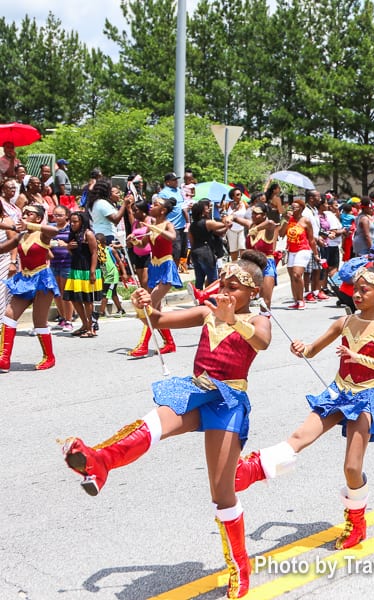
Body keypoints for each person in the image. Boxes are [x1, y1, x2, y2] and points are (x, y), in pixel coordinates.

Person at [62, 252, 272, 599]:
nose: (225, 291)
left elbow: (261, 342)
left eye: (234, 287)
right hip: (196, 390)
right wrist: (144, 301)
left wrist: (233, 318)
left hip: (227, 401)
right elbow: (157, 320)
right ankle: (101, 461)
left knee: (222, 495)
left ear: (251, 292)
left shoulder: (257, 319)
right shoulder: (207, 314)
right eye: (223, 284)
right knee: (155, 422)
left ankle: (239, 567)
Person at [230, 261, 374, 551]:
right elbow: (312, 350)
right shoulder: (344, 322)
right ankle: (252, 470)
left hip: (363, 396)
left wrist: (359, 358)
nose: (358, 295)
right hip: (337, 392)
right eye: (356, 290)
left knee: (352, 468)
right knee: (299, 437)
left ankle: (356, 521)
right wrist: (302, 348)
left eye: (365, 290)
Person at [0, 204, 60, 370]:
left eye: (29, 213)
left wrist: (31, 226)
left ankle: (49, 357)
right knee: (9, 315)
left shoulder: (43, 234)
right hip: (25, 279)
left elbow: (55, 231)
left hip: (42, 279)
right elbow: (2, 248)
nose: (24, 215)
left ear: (38, 218)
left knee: (39, 321)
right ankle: (4, 358)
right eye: (23, 213)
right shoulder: (21, 236)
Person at [126, 198, 182, 358]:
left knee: (148, 306)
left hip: (166, 267)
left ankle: (143, 345)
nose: (152, 206)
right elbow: (142, 244)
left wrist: (152, 228)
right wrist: (133, 241)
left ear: (163, 210)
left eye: (156, 205)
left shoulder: (167, 224)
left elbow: (172, 237)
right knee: (155, 308)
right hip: (154, 267)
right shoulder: (150, 226)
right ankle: (169, 343)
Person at [62, 211, 103, 337]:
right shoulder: (73, 235)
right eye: (71, 221)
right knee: (74, 298)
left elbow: (94, 253)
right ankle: (84, 324)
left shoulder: (88, 234)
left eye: (75, 221)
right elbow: (74, 254)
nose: (72, 224)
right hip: (76, 270)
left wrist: (92, 271)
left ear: (82, 222)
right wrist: (68, 248)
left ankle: (91, 327)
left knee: (87, 300)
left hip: (87, 271)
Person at [233, 205, 279, 313]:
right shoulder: (251, 225)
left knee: (265, 300)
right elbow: (236, 218)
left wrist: (256, 229)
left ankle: (264, 318)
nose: (253, 215)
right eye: (252, 213)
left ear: (264, 215)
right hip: (252, 265)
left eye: (257, 213)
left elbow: (271, 223)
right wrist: (229, 218)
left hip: (266, 265)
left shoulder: (268, 229)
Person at [281, 198, 315, 310]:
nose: (293, 209)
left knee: (297, 274)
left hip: (303, 249)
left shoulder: (306, 221)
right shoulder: (289, 220)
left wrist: (316, 253)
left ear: (301, 208)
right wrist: (285, 222)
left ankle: (301, 300)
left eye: (295, 207)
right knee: (292, 277)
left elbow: (311, 239)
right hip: (291, 250)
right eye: (292, 207)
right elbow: (281, 234)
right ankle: (296, 300)